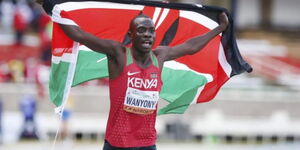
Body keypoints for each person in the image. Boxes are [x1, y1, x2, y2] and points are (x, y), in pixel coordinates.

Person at [38, 1, 229, 149]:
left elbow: (190, 46)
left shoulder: (159, 56)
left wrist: (219, 28)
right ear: (131, 34)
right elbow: (79, 35)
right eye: (141, 30)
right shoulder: (118, 54)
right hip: (117, 144)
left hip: (147, 143)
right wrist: (51, 6)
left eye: (151, 31)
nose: (147, 35)